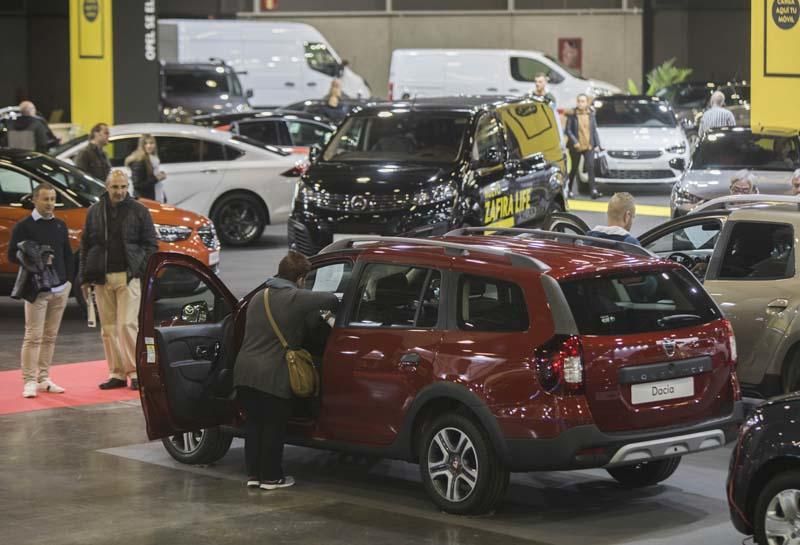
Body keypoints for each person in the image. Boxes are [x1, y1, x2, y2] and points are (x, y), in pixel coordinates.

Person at [233, 251, 339, 490]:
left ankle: (254, 475)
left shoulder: (259, 296)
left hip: (244, 372)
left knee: (254, 427)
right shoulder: (294, 297)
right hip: (272, 374)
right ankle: (271, 478)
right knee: (273, 427)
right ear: (300, 278)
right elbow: (331, 300)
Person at [79, 170, 158, 390]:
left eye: (123, 187)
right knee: (109, 329)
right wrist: (84, 278)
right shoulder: (94, 211)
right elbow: (85, 245)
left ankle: (136, 372)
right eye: (115, 187)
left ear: (128, 186)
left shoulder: (140, 210)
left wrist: (139, 269)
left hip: (128, 277)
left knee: (127, 325)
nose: (120, 191)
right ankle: (117, 374)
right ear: (106, 187)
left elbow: (151, 245)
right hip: (101, 278)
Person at [8, 183, 73, 398]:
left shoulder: (60, 225)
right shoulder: (23, 226)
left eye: (53, 199)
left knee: (50, 336)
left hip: (60, 287)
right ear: (35, 200)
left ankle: (44, 378)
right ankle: (29, 381)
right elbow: (11, 256)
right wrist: (32, 256)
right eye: (46, 199)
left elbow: (67, 255)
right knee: (33, 336)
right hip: (36, 289)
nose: (50, 204)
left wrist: (70, 281)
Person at [565, 93, 602, 199]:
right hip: (576, 146)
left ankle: (593, 190)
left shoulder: (591, 114)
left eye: (583, 101)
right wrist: (575, 141)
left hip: (589, 145)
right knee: (574, 168)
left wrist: (597, 144)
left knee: (590, 167)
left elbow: (594, 130)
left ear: (587, 103)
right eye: (579, 101)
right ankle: (569, 189)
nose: (580, 103)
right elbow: (568, 130)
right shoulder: (572, 114)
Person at [124, 134, 167, 201]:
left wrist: (159, 175)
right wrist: (156, 178)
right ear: (141, 145)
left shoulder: (153, 159)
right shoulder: (139, 161)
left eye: (151, 143)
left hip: (154, 198)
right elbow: (138, 185)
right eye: (146, 143)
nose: (149, 146)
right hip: (145, 200)